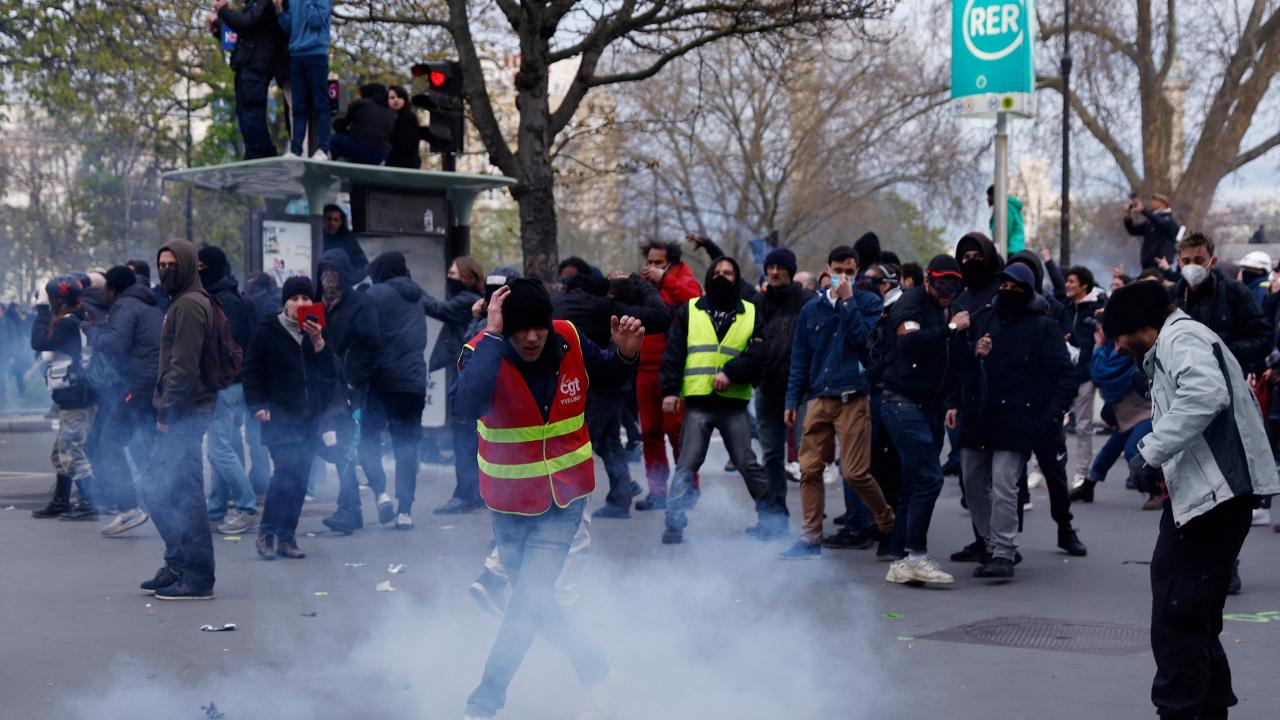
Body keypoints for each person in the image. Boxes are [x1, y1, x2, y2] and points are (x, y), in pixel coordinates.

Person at [453, 280, 642, 719]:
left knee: (528, 601)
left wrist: (626, 354)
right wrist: (495, 337)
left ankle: (483, 703)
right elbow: (464, 405)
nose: (534, 337)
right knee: (533, 602)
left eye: (539, 327)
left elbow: (610, 376)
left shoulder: (569, 337)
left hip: (565, 499)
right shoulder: (482, 349)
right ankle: (596, 669)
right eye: (522, 329)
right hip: (508, 501)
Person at [1103, 280, 1278, 720]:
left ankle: (1181, 712)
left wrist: (1150, 454)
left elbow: (1205, 395)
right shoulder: (1178, 341)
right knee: (1195, 616)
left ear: (1136, 325)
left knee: (1177, 615)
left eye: (1117, 335)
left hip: (1214, 501)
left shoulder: (1182, 337)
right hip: (1212, 498)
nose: (1117, 346)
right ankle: (1209, 709)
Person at [950, 262, 1076, 580]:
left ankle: (1003, 552)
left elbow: (1064, 376)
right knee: (973, 482)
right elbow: (957, 362)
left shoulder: (1042, 327)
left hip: (1019, 415)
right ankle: (991, 543)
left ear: (1028, 290)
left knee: (1006, 484)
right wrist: (973, 352)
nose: (1006, 289)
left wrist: (1051, 414)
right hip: (979, 414)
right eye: (1002, 283)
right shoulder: (984, 318)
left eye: (1014, 285)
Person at [658, 256, 784, 544]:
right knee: (687, 465)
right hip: (698, 403)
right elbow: (674, 353)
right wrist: (669, 390)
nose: (722, 277)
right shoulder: (690, 310)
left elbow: (761, 353)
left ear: (737, 278)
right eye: (718, 272)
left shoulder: (751, 312)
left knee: (747, 463)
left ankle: (771, 518)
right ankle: (673, 525)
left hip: (733, 404)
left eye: (729, 273)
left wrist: (731, 371)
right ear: (709, 277)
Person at [781, 245, 895, 559]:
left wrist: (848, 302)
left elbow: (865, 343)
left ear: (857, 273)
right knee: (810, 469)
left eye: (849, 271)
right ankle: (810, 537)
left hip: (853, 396)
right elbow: (800, 359)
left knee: (855, 472)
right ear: (827, 269)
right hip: (819, 397)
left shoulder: (868, 302)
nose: (842, 276)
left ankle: (887, 524)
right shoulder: (812, 310)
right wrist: (792, 400)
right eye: (837, 270)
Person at [554, 262, 671, 518]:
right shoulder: (600, 306)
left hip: (589, 387)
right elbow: (661, 315)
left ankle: (615, 497)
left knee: (598, 443)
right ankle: (615, 497)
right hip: (601, 385)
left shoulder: (561, 302)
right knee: (592, 444)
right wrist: (637, 280)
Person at [879, 255, 968, 585]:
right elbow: (910, 342)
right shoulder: (912, 303)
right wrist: (950, 328)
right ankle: (915, 554)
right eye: (941, 283)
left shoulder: (948, 308)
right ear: (928, 280)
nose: (947, 291)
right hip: (902, 402)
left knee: (914, 481)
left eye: (953, 284)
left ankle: (901, 558)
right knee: (930, 478)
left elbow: (954, 358)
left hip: (929, 405)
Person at [139, 240, 219, 600]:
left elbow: (183, 367)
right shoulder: (184, 301)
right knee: (164, 488)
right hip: (185, 411)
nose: (166, 270)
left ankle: (198, 576)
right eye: (162, 263)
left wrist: (167, 412)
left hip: (184, 413)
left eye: (173, 264)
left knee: (180, 493)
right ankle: (178, 563)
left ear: (187, 266)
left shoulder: (188, 305)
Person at [244, 276, 336, 559]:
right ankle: (266, 533)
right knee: (285, 472)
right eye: (294, 299)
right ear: (285, 302)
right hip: (278, 416)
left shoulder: (316, 332)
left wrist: (318, 341)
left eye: (306, 299)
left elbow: (330, 375)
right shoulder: (267, 329)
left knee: (300, 478)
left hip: (309, 418)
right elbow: (251, 370)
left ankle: (287, 537)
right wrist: (257, 404)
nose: (300, 304)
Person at [311, 249, 385, 534]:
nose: (328, 276)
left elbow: (372, 346)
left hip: (350, 387)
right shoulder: (319, 305)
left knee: (345, 446)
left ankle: (349, 509)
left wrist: (355, 379)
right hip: (325, 384)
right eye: (324, 270)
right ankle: (353, 507)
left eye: (333, 270)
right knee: (331, 445)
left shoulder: (360, 304)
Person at [90, 266, 163, 536]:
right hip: (153, 382)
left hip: (140, 384)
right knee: (152, 444)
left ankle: (129, 509)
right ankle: (167, 500)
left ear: (113, 290)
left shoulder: (125, 306)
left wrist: (94, 332)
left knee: (109, 442)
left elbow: (117, 344)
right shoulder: (148, 303)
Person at [358, 251, 427, 529]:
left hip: (380, 383)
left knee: (367, 440)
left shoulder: (375, 295)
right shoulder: (416, 295)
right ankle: (405, 511)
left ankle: (380, 492)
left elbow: (364, 335)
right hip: (413, 384)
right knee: (406, 447)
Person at [197, 245, 260, 535]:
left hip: (227, 384)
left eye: (200, 267)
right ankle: (216, 509)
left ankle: (246, 507)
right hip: (240, 382)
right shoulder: (238, 297)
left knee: (219, 449)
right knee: (221, 447)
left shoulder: (223, 303)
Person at [635, 240, 702, 510]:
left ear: (670, 263)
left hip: (674, 371)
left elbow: (694, 300)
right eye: (649, 262)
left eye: (658, 263)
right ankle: (658, 491)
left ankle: (688, 488)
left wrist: (664, 280)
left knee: (677, 432)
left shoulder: (683, 279)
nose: (651, 267)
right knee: (650, 432)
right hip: (644, 368)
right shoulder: (643, 285)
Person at [751, 248, 814, 524]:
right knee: (772, 456)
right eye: (770, 267)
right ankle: (776, 518)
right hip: (767, 390)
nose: (774, 272)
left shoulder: (807, 302)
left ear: (791, 269)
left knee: (808, 459)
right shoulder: (756, 303)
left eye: (780, 267)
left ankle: (813, 519)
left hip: (801, 391)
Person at [30, 276, 98, 520]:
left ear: (58, 299)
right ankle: (62, 500)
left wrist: (40, 309)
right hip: (74, 396)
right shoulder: (76, 318)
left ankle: (89, 502)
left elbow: (38, 342)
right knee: (61, 453)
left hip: (75, 397)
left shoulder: (69, 323)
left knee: (72, 453)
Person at [426, 256, 486, 515]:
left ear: (466, 277)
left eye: (454, 273)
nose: (450, 277)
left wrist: (410, 287)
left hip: (464, 375)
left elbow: (437, 309)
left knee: (463, 437)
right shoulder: (476, 300)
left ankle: (464, 494)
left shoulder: (465, 301)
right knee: (471, 438)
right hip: (471, 373)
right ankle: (475, 492)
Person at [1170, 232, 1271, 376]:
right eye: (1186, 261)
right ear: (1179, 262)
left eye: (1199, 260)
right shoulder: (1171, 297)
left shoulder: (1236, 293)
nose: (1192, 266)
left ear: (1213, 261)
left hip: (1227, 380)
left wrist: (1223, 352)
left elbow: (1263, 338)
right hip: (1182, 381)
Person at [209, 0, 284, 159]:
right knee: (244, 114)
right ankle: (255, 151)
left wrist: (223, 10)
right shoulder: (253, 6)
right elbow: (238, 35)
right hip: (246, 65)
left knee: (252, 112)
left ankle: (260, 153)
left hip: (257, 65)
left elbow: (247, 24)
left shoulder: (264, 4)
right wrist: (219, 26)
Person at [1058, 266, 1105, 490]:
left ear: (1084, 285)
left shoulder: (1097, 309)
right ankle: (1040, 469)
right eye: (1066, 281)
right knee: (1051, 421)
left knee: (1084, 427)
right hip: (1063, 374)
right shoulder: (1064, 308)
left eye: (1072, 281)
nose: (1067, 285)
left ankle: (1081, 473)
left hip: (1085, 374)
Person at [274, 0, 332, 160]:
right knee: (298, 106)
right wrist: (279, 11)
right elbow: (290, 28)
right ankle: (296, 150)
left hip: (316, 53)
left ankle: (323, 149)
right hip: (296, 55)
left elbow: (315, 21)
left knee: (321, 103)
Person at [243, 271, 281, 495]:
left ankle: (261, 481)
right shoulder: (282, 305)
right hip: (282, 381)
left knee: (256, 436)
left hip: (263, 379)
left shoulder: (253, 305)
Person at [331, 82, 395, 165]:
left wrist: (344, 131)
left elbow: (341, 123)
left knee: (334, 139)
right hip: (382, 154)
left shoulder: (362, 103)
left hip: (359, 147)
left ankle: (331, 171)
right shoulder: (391, 112)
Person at [1124, 193, 1180, 271]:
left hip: (1162, 265)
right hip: (1147, 264)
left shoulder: (1169, 220)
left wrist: (1143, 210)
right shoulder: (1151, 221)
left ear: (1164, 204)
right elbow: (1133, 230)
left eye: (1156, 200)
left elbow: (1160, 222)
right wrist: (1128, 217)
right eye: (1152, 200)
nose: (1152, 203)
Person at [322, 205, 368, 280]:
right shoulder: (315, 238)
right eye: (329, 219)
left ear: (341, 222)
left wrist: (347, 281)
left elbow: (363, 267)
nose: (332, 223)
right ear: (322, 220)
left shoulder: (349, 240)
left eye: (336, 220)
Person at [386, 85, 421, 169]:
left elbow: (409, 143)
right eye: (392, 97)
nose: (396, 100)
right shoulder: (385, 117)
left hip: (407, 164)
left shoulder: (409, 117)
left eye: (399, 97)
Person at [986, 185, 1026, 256]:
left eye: (989, 196)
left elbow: (1006, 230)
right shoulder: (1006, 206)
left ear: (995, 195)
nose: (987, 199)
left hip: (1011, 251)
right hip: (1010, 250)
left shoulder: (1006, 207)